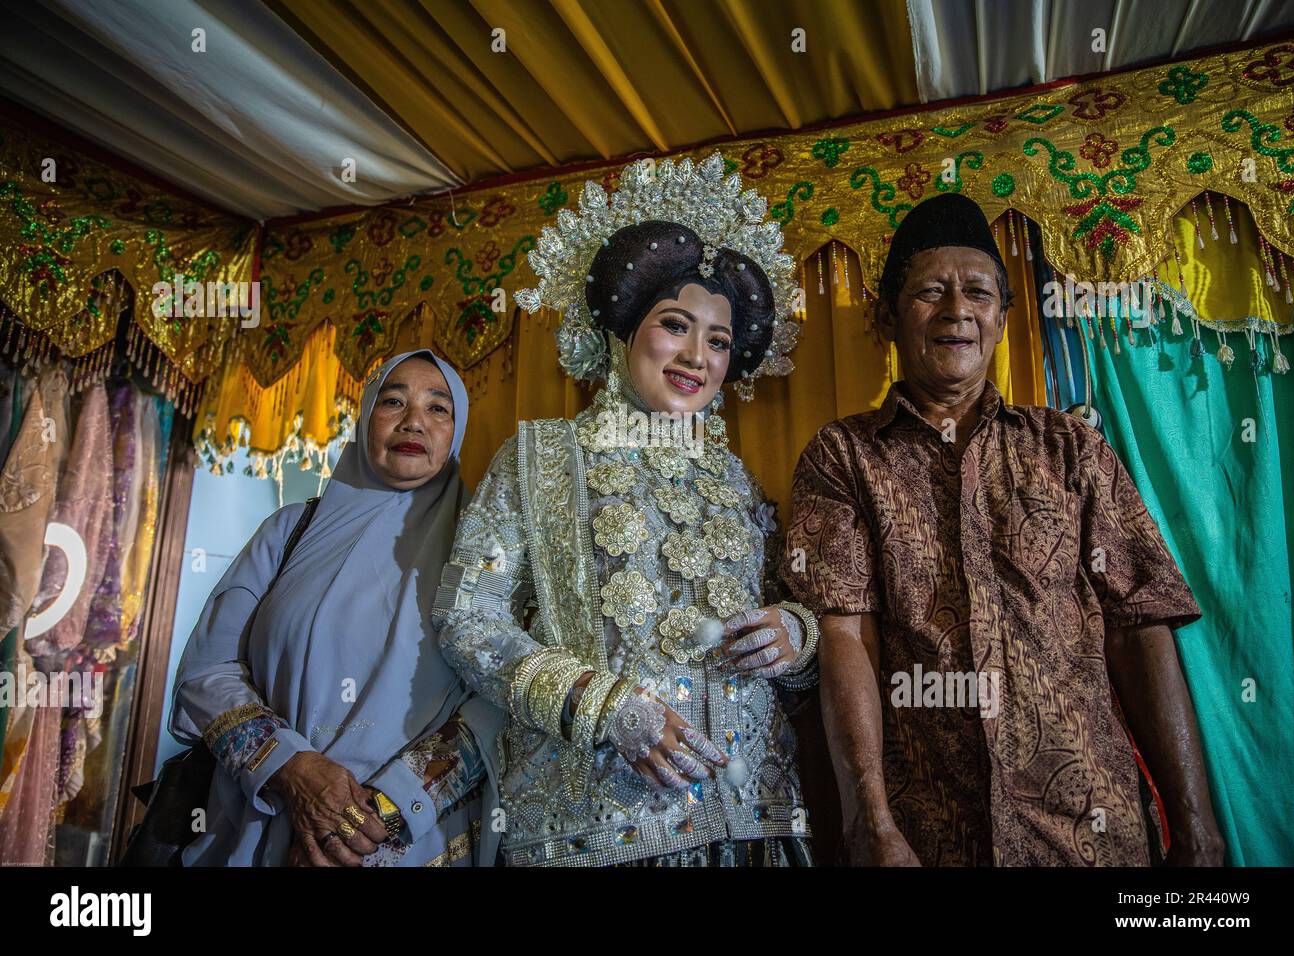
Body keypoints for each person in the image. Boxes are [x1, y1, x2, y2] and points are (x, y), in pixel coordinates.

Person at [783, 193, 1224, 867]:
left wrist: (1195, 824)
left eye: (978, 294)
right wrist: (870, 820)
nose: (958, 310)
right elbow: (845, 635)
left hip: (1090, 830)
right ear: (887, 321)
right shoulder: (844, 456)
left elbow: (1142, 626)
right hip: (928, 832)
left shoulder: (1070, 448)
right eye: (930, 292)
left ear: (1000, 319)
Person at [433, 154, 818, 866]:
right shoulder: (539, 461)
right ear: (622, 328)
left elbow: (792, 626)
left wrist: (798, 636)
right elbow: (467, 620)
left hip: (752, 826)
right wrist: (603, 709)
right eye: (676, 325)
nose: (697, 356)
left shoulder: (736, 479)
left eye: (720, 340)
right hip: (599, 824)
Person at [169, 349, 502, 866]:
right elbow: (206, 670)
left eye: (439, 408)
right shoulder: (287, 532)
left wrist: (379, 813)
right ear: (366, 416)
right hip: (265, 818)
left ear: (456, 433)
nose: (414, 420)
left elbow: (499, 700)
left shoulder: (486, 552)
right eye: (393, 401)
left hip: (409, 841)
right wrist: (290, 767)